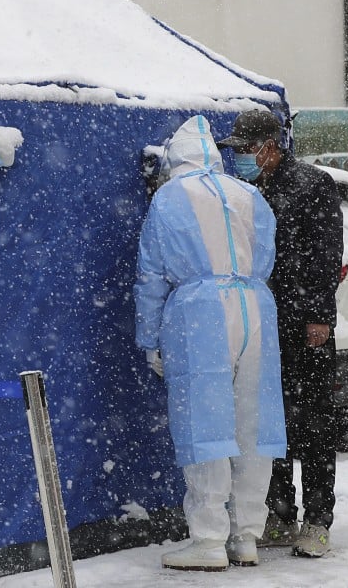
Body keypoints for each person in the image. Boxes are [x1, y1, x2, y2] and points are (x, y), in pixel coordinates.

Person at [135, 114, 286, 571]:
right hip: (256, 306)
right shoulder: (250, 194)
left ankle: (207, 538)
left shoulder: (168, 197)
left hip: (199, 311)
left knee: (206, 424)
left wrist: (149, 338)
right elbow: (265, 257)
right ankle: (246, 536)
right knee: (253, 425)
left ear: (175, 159)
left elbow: (151, 275)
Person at [217, 108, 343, 558]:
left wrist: (317, 316)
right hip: (261, 321)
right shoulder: (245, 191)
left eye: (247, 151)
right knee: (271, 421)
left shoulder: (312, 185)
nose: (242, 160)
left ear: (271, 146)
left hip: (302, 321)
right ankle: (281, 511)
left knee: (313, 422)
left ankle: (317, 518)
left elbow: (326, 254)